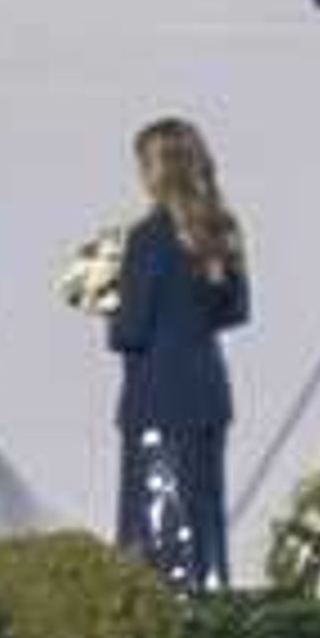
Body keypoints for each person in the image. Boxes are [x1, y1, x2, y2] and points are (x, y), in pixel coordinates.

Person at [109, 116, 248, 590]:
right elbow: (234, 311)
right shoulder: (221, 231)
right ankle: (210, 600)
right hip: (207, 389)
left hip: (156, 394)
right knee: (204, 514)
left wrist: (109, 301)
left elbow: (131, 330)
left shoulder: (149, 238)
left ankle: (164, 616)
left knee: (157, 522)